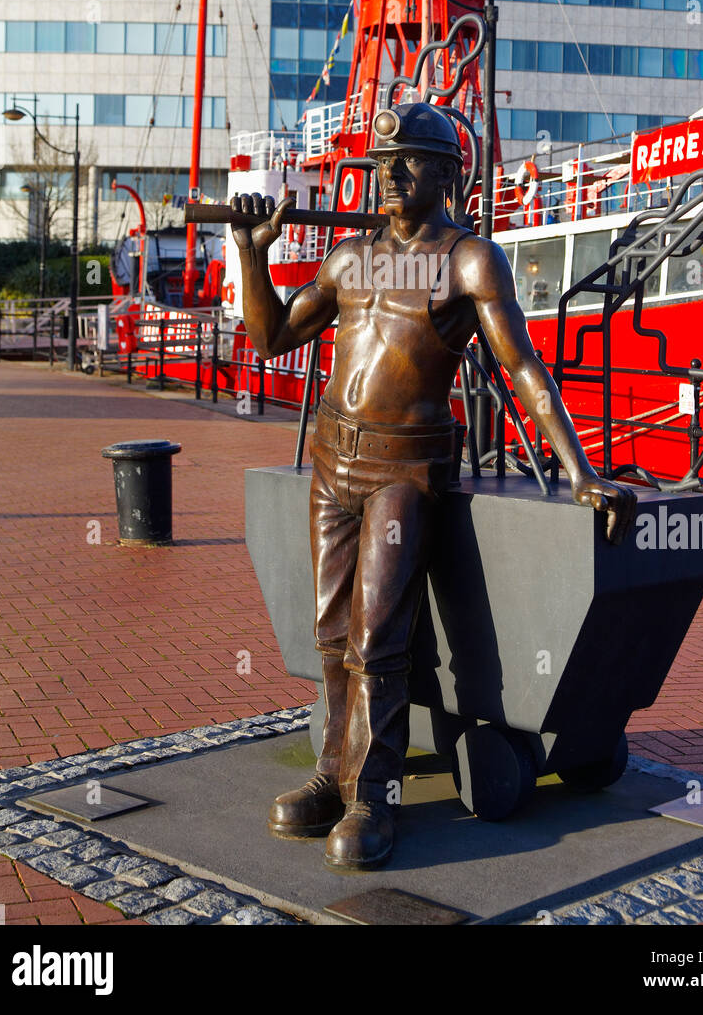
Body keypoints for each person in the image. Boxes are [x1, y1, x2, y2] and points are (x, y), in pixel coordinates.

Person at [232, 102, 636, 871]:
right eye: (384, 161)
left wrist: (580, 472)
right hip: (333, 459)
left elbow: (523, 369)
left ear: (449, 174)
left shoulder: (470, 261)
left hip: (406, 467)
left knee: (378, 636)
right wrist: (253, 254)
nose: (390, 173)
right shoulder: (349, 257)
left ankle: (373, 793)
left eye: (410, 160)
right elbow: (274, 336)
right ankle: (334, 770)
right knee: (330, 633)